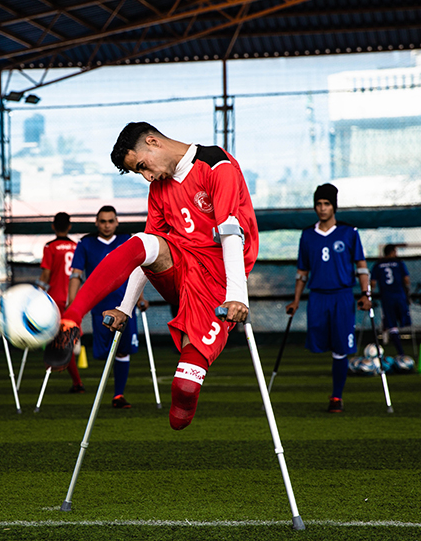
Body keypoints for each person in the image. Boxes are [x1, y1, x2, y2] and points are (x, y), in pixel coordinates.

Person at [47, 122, 258, 430]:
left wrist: (237, 295)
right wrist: (125, 307)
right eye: (140, 172)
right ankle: (71, 318)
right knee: (142, 240)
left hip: (219, 279)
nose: (147, 176)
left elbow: (230, 231)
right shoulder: (158, 188)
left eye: (143, 166)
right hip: (180, 265)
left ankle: (186, 387)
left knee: (185, 390)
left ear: (152, 142)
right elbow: (146, 251)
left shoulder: (216, 165)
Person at [285, 183, 371, 414]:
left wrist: (366, 294)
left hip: (342, 296)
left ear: (334, 206)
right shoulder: (307, 235)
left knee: (340, 348)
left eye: (327, 204)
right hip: (318, 297)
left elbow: (361, 265)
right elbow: (302, 271)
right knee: (319, 344)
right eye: (319, 204)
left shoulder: (349, 232)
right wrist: (295, 300)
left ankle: (336, 397)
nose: (322, 208)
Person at [67, 206, 147, 408]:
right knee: (104, 354)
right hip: (99, 307)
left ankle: (118, 395)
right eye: (103, 221)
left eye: (111, 221)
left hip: (125, 307)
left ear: (117, 222)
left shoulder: (127, 241)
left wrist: (140, 298)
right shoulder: (86, 243)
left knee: (122, 351)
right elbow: (76, 274)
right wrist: (73, 305)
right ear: (96, 223)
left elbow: (137, 271)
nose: (107, 225)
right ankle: (108, 390)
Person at [37, 212, 84, 392]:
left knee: (58, 341)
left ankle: (75, 381)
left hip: (54, 300)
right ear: (69, 226)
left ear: (53, 226)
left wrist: (37, 293)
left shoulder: (50, 247)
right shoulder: (76, 246)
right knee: (66, 340)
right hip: (73, 299)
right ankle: (75, 381)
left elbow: (46, 274)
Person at [371, 244, 411, 357]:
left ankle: (400, 351)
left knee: (392, 323)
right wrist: (408, 292)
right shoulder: (399, 263)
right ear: (393, 252)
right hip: (399, 295)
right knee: (403, 320)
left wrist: (369, 294)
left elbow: (372, 283)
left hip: (387, 297)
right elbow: (406, 279)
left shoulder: (378, 264)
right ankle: (403, 349)